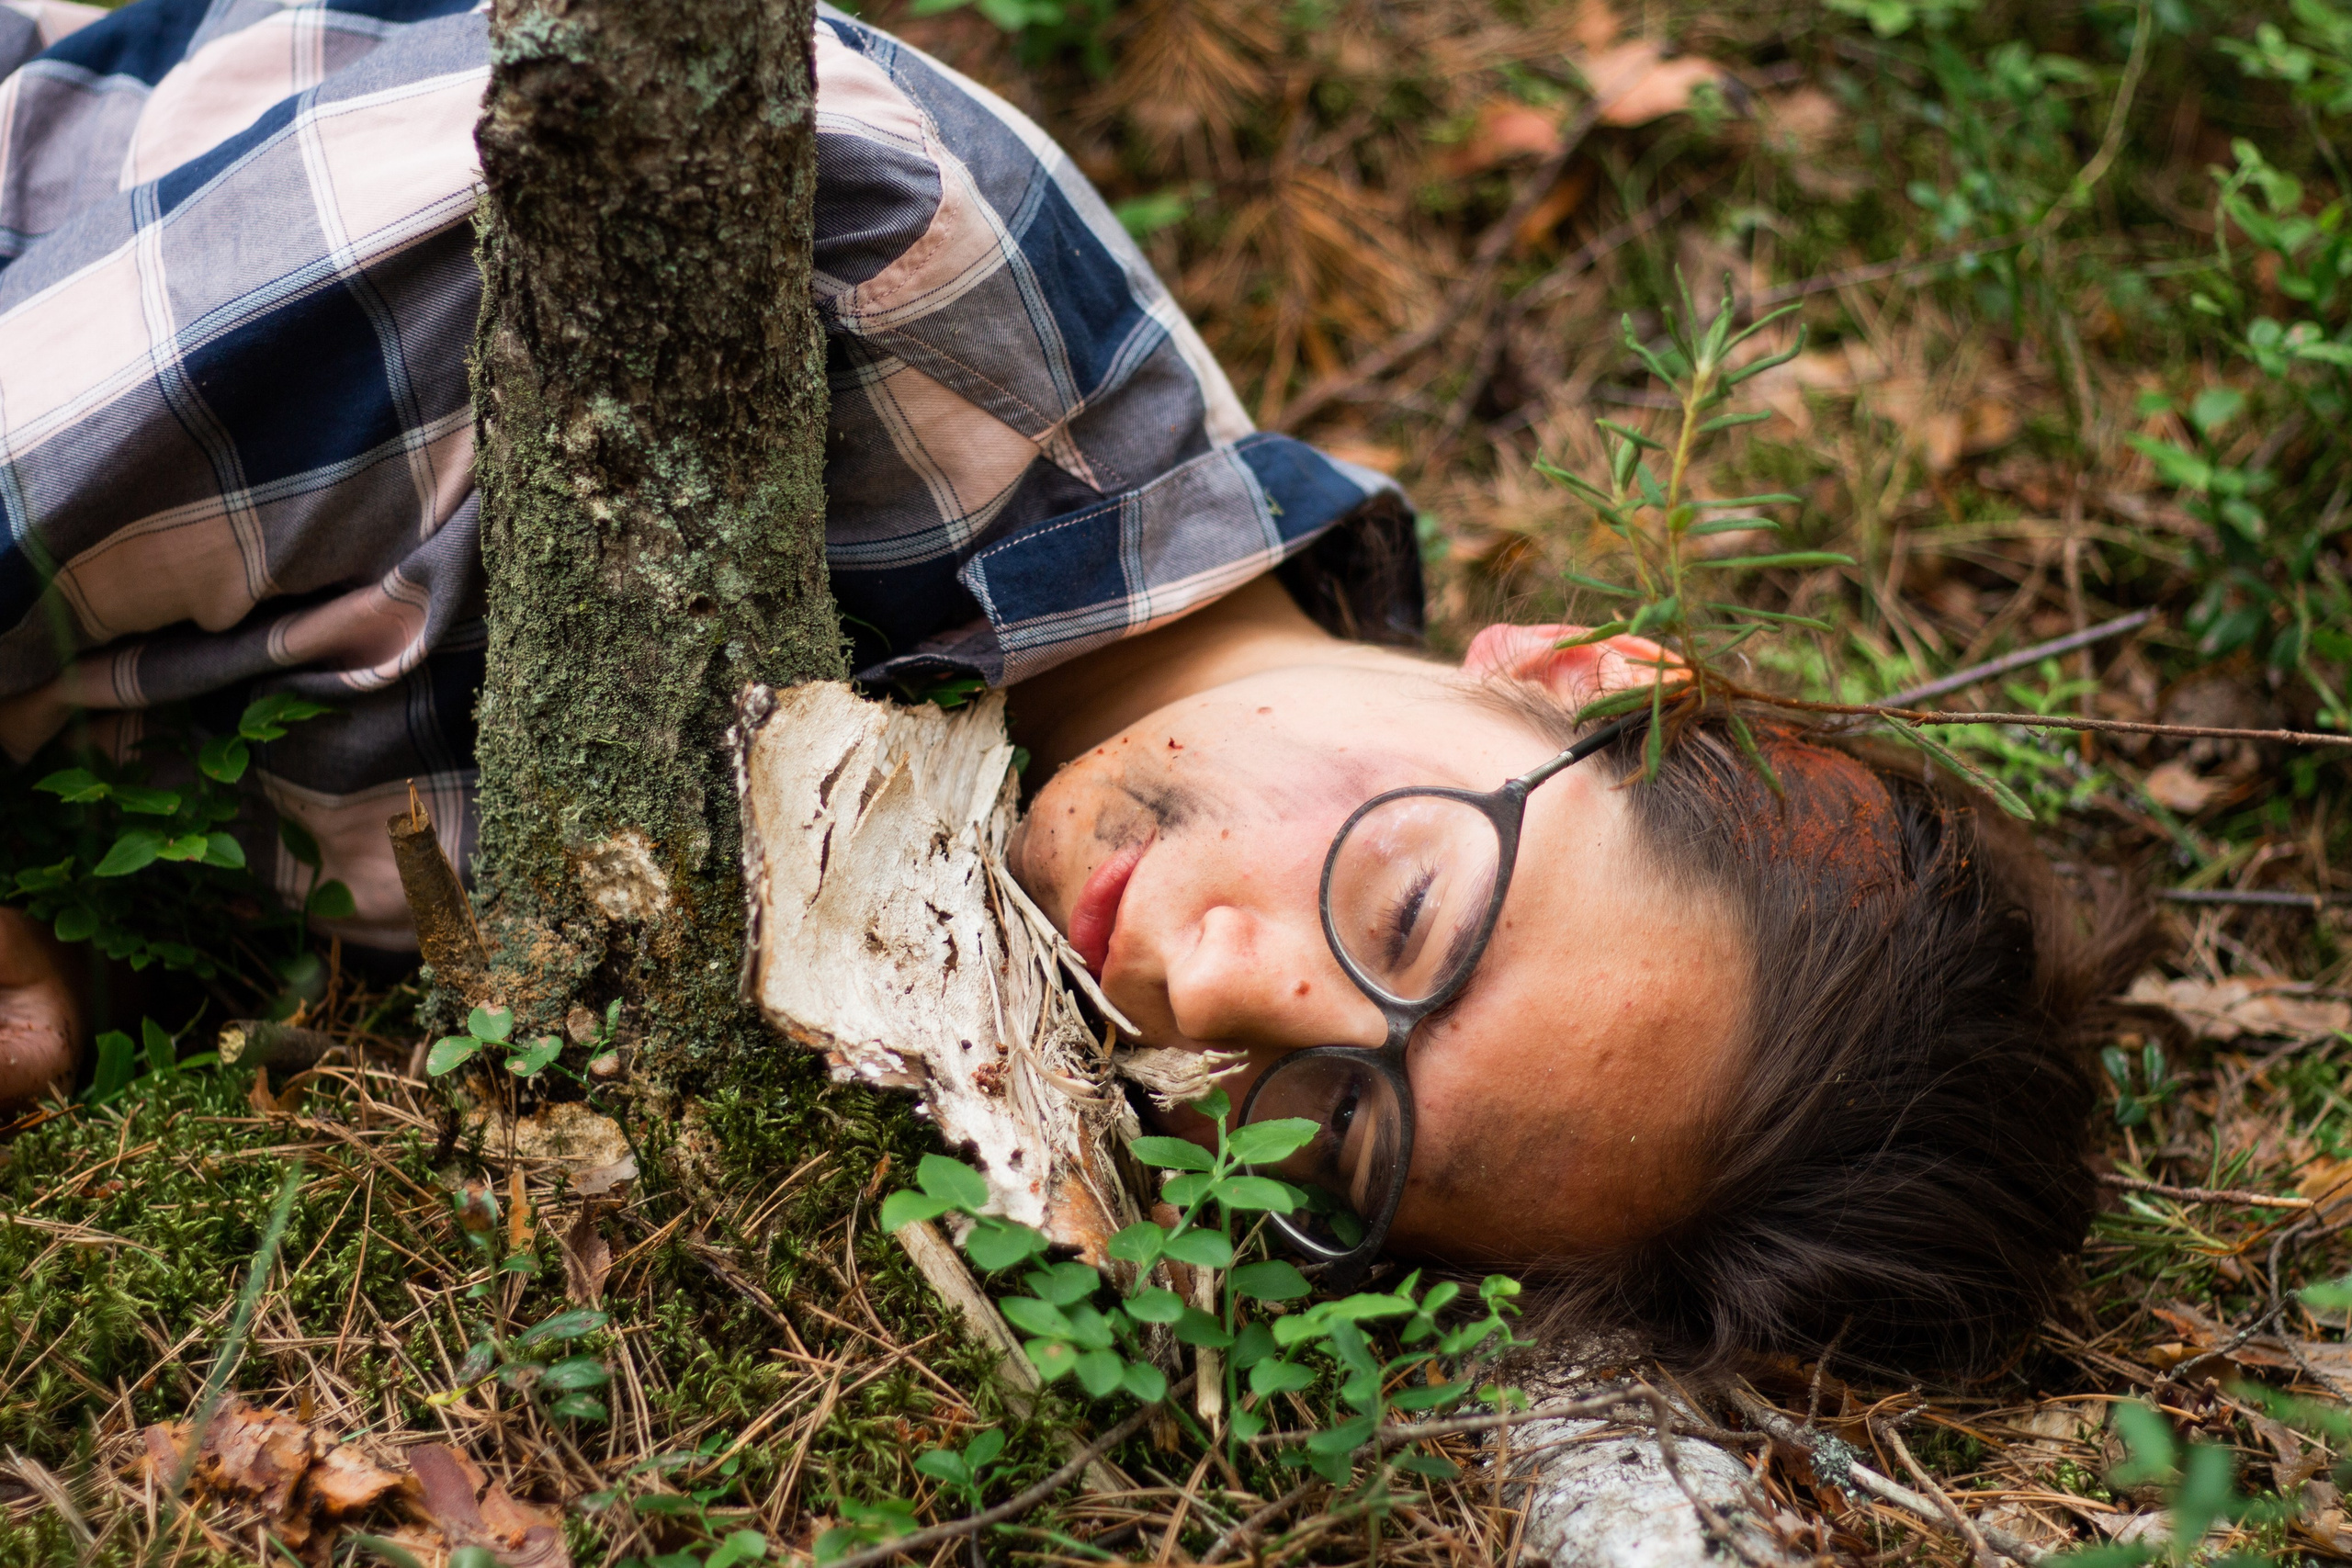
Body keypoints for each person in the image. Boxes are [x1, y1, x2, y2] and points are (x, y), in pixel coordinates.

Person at [0, 0, 2142, 1374]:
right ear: (1574, 672)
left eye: (1342, 1137)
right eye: (1399, 910)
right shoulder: (869, 253)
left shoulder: (953, 992)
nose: (1227, 1001)